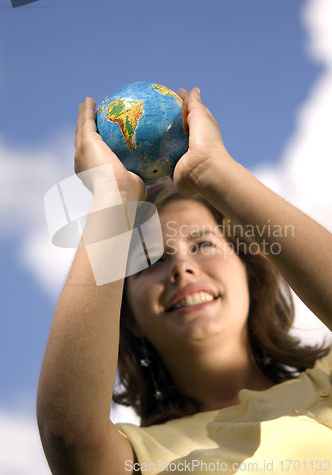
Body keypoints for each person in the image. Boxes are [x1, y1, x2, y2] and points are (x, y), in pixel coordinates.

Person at [37, 88, 332, 475]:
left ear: (248, 271)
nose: (182, 268)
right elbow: (68, 433)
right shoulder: (135, 455)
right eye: (153, 260)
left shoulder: (323, 382)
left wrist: (211, 170)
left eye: (203, 244)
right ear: (127, 317)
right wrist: (113, 199)